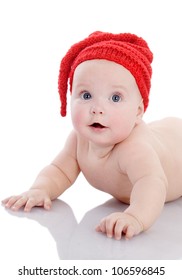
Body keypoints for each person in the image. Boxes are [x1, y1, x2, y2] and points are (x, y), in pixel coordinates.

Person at [2, 31, 182, 240]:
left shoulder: (135, 149)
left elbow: (152, 182)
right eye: (86, 95)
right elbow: (60, 170)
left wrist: (136, 217)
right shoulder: (79, 140)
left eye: (115, 97)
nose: (97, 108)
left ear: (138, 112)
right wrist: (40, 189)